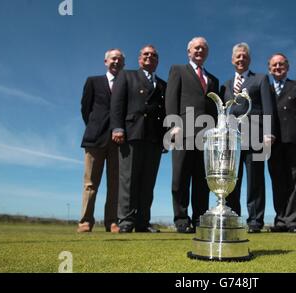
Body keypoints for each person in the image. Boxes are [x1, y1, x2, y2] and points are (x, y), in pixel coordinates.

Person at [165, 36, 219, 233]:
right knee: (180, 178)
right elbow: (171, 98)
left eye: (203, 49)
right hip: (183, 131)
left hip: (205, 136)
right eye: (196, 48)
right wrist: (173, 125)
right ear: (189, 51)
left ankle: (199, 220)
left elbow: (213, 109)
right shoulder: (178, 70)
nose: (199, 51)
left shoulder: (213, 79)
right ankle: (181, 220)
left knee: (201, 180)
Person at [110, 45, 167, 233]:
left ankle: (143, 221)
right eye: (146, 54)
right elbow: (117, 104)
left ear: (157, 61)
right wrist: (117, 128)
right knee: (128, 179)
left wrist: (165, 138)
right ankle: (126, 220)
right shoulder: (126, 76)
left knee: (148, 181)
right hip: (131, 133)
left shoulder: (162, 84)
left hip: (153, 137)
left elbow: (165, 113)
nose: (149, 57)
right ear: (139, 58)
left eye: (153, 55)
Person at [221, 43, 275, 233]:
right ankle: (234, 217)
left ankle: (255, 221)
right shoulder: (226, 84)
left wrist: (268, 133)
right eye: (238, 56)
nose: (241, 59)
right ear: (232, 60)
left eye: (244, 56)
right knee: (232, 180)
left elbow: (268, 107)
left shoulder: (260, 79)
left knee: (255, 181)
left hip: (255, 136)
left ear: (249, 59)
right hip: (231, 139)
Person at [267, 53, 296, 233]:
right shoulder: (267, 90)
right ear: (269, 69)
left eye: (281, 64)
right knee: (277, 181)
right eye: (274, 65)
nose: (277, 67)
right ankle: (280, 220)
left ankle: (292, 220)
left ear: (287, 67)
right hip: (273, 142)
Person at [78, 48, 125, 233]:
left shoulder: (125, 84)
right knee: (90, 183)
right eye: (113, 59)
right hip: (95, 139)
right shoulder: (93, 81)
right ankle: (85, 221)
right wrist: (96, 126)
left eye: (120, 60)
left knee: (114, 185)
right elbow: (85, 109)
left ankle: (112, 222)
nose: (116, 62)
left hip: (118, 142)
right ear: (106, 61)